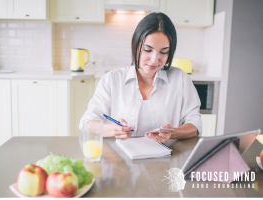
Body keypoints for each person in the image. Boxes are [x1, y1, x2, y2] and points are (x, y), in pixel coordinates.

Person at [79, 12, 202, 144]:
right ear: (136, 45)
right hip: (120, 160)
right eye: (148, 50)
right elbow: (87, 123)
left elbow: (195, 124)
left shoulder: (181, 79)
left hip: (168, 158)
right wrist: (113, 129)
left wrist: (173, 133)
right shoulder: (111, 80)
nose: (155, 60)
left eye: (163, 52)